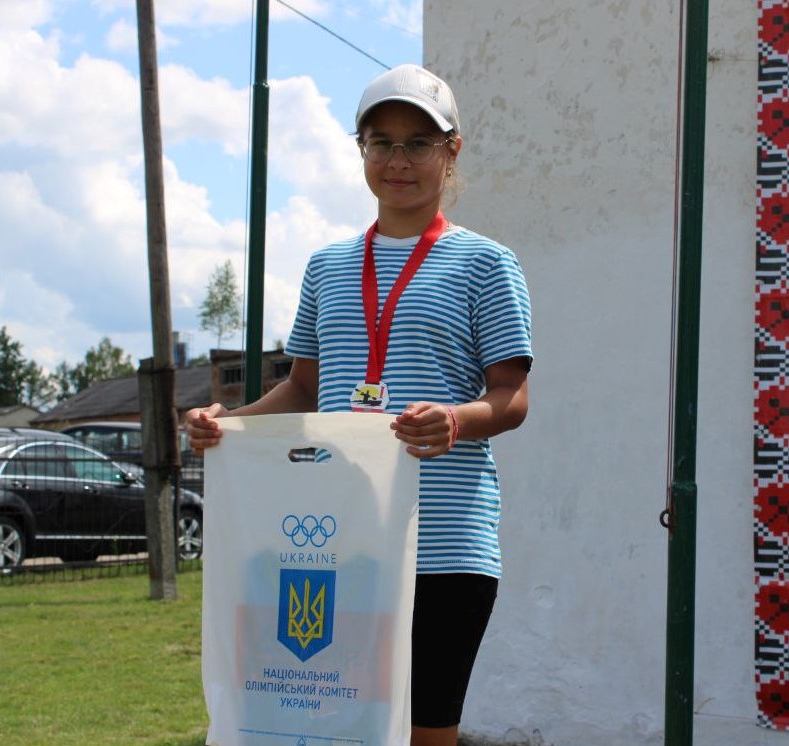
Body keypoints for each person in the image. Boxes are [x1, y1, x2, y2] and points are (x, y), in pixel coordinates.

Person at [185, 63, 533, 746]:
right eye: (381, 142)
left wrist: (455, 420)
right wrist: (229, 425)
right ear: (361, 150)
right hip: (336, 541)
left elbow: (511, 396)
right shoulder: (327, 266)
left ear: (452, 151)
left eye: (418, 143)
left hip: (443, 545)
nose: (398, 160)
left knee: (426, 732)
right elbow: (304, 388)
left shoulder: (488, 264)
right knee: (329, 726)